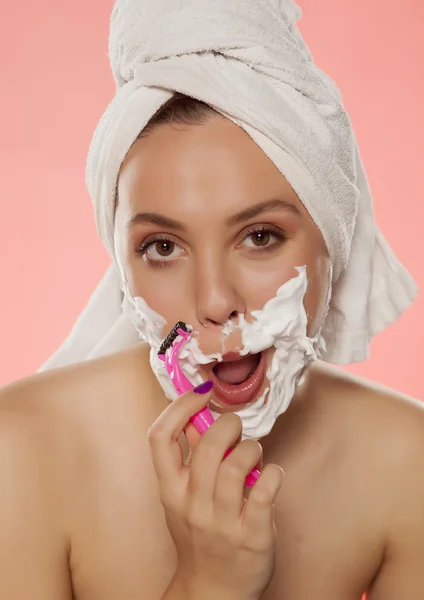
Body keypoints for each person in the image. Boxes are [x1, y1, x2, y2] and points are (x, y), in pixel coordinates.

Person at [0, 1, 423, 599]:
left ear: (334, 238)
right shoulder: (19, 455)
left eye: (260, 237)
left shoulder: (410, 465)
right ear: (121, 264)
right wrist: (210, 585)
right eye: (163, 247)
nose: (215, 301)